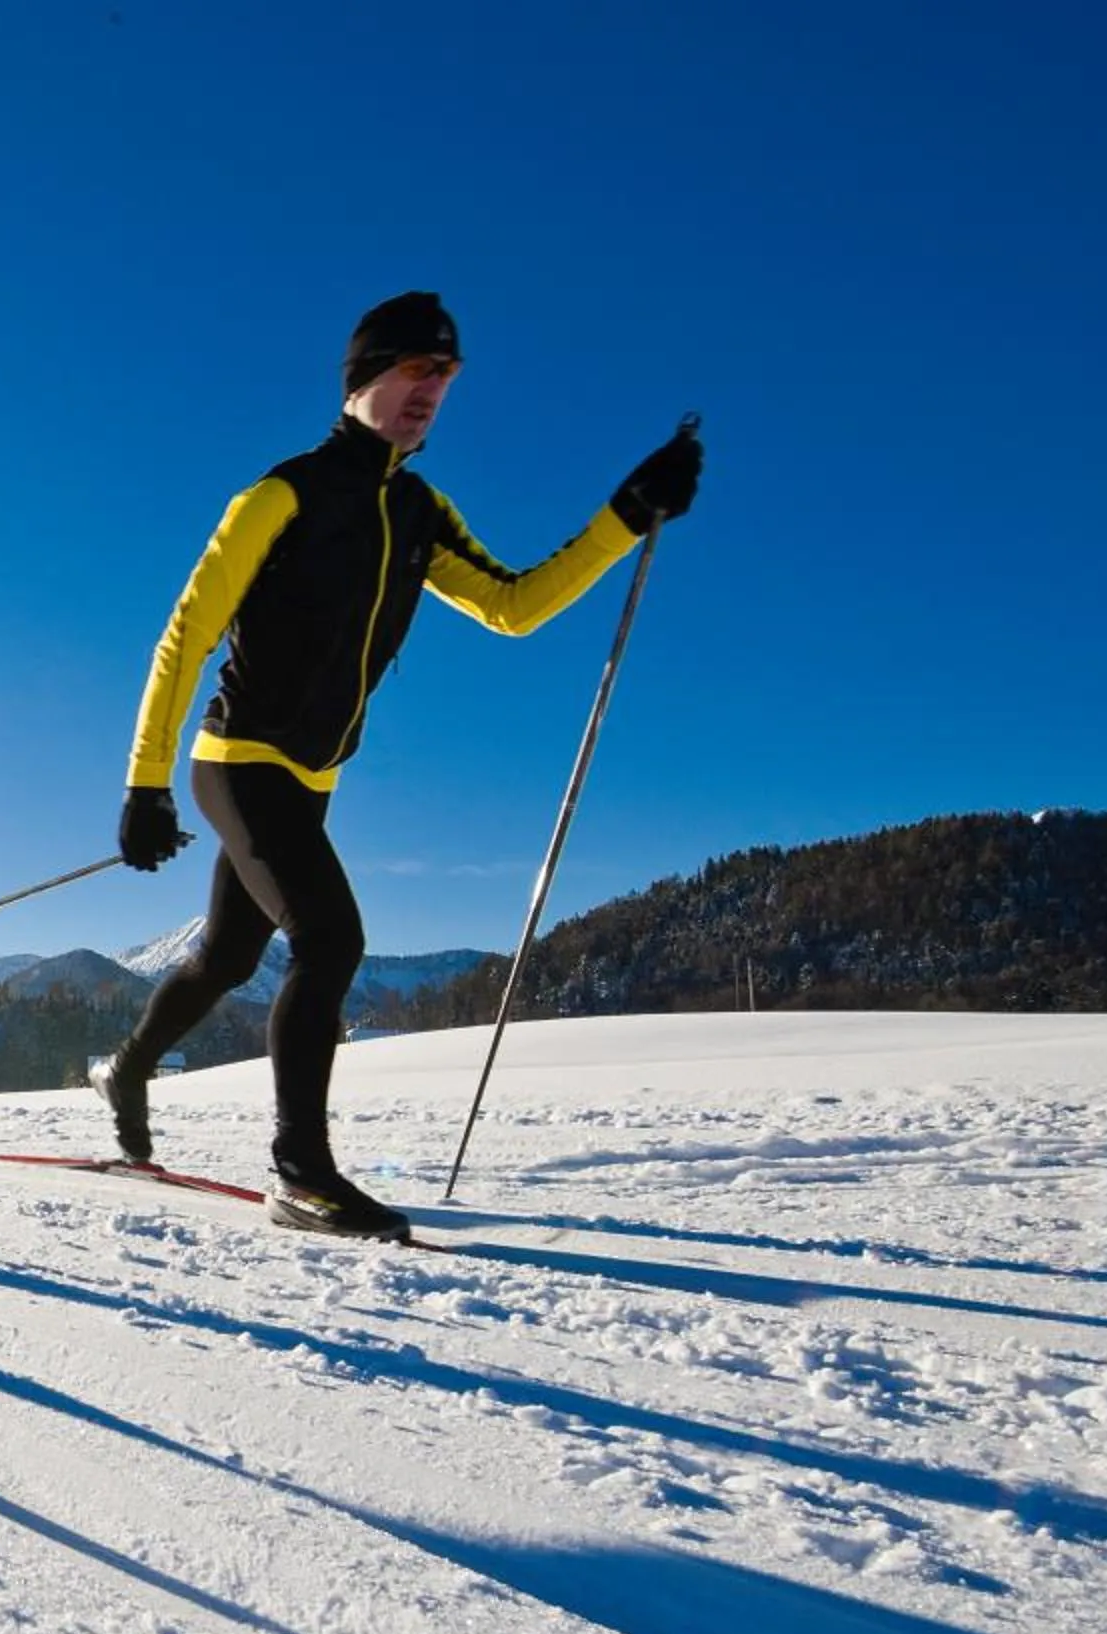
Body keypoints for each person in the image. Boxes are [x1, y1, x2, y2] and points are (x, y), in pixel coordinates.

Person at [94, 291, 700, 1241]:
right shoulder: (281, 495)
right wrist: (146, 784)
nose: (432, 393)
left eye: (446, 377)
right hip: (238, 757)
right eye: (417, 371)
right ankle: (301, 1175)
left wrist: (626, 516)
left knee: (228, 955)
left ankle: (126, 1067)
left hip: (313, 778)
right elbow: (186, 636)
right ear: (366, 377)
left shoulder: (419, 510)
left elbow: (514, 604)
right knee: (330, 941)